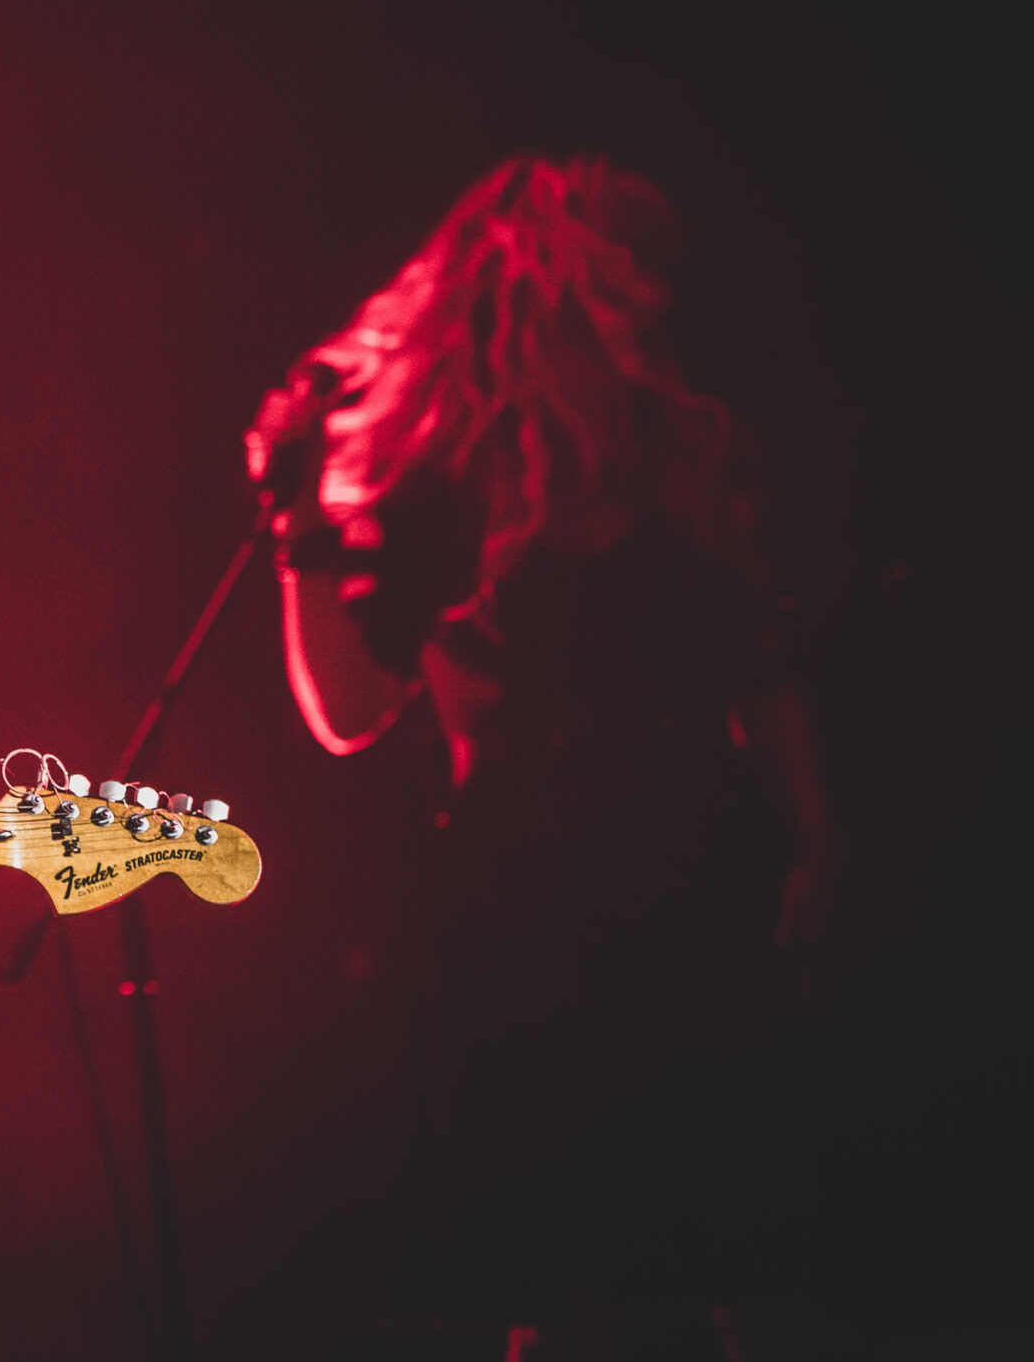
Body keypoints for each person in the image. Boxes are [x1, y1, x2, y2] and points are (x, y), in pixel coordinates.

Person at [244, 156, 840, 1355]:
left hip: (688, 884)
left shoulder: (673, 456)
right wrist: (300, 534)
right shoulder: (447, 489)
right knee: (559, 1281)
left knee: (717, 1266)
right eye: (634, 261)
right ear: (562, 277)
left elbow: (759, 673)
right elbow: (354, 712)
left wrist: (816, 845)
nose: (660, 292)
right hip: (531, 908)